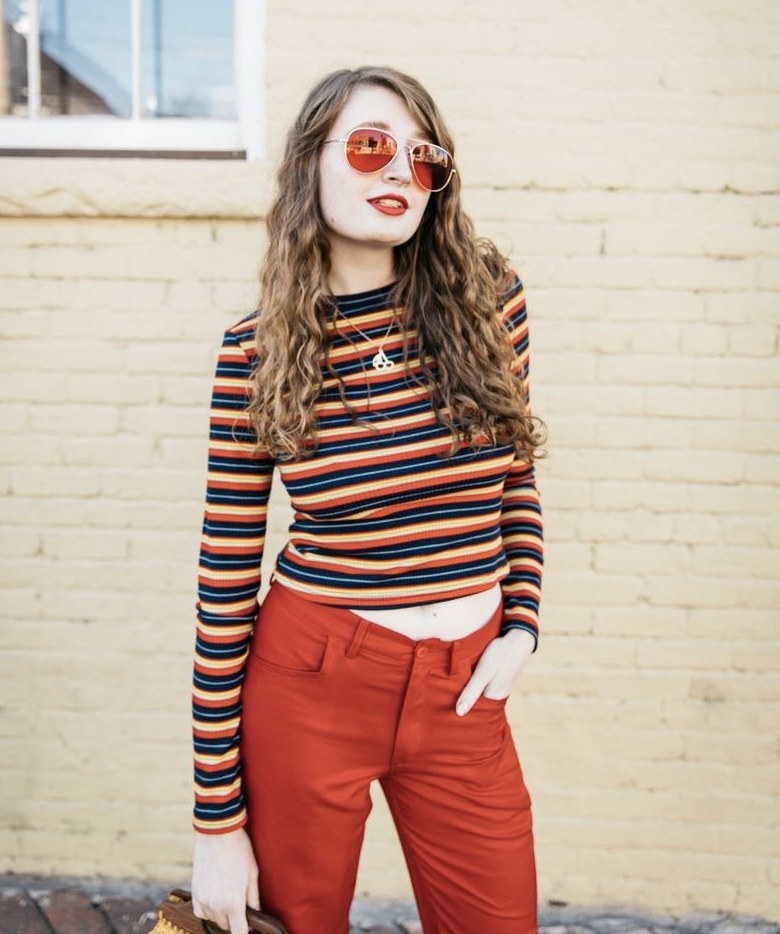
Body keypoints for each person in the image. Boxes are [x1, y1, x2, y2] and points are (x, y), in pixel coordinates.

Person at [189, 65, 545, 934]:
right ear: (310, 163)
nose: (398, 173)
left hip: (464, 691)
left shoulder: (490, 302)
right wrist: (215, 822)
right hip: (311, 683)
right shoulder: (256, 350)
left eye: (422, 159)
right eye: (371, 146)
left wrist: (523, 623)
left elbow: (516, 479)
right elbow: (226, 577)